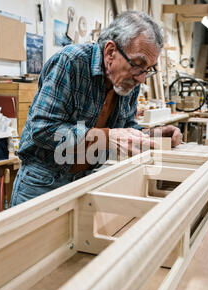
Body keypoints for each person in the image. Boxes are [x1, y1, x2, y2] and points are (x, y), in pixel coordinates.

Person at [10, 11, 182, 207]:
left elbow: (125, 129)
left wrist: (154, 134)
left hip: (87, 179)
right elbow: (42, 130)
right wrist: (106, 137)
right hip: (42, 183)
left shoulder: (128, 82)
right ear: (110, 52)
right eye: (138, 65)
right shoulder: (71, 62)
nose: (142, 78)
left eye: (148, 69)